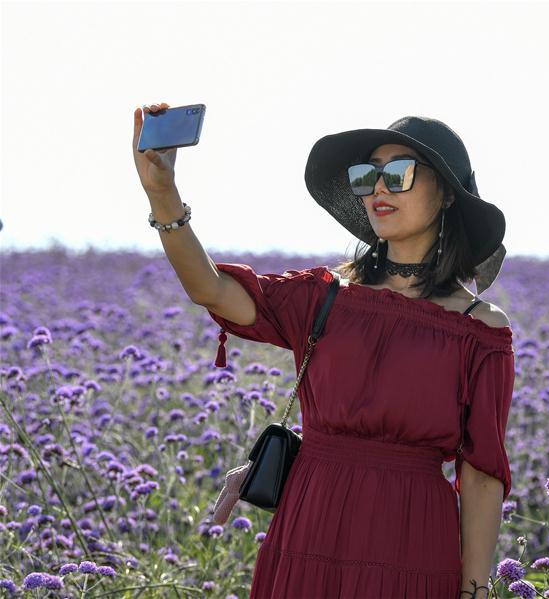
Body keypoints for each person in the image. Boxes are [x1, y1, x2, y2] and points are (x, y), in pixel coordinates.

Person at [133, 106, 514, 598]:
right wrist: (161, 192)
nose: (379, 188)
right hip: (309, 527)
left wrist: (475, 592)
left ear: (444, 194)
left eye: (398, 174)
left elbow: (482, 476)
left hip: (412, 544)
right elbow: (211, 288)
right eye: (368, 176)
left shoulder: (479, 329)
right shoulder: (325, 296)